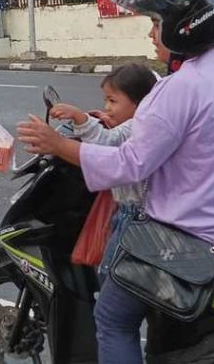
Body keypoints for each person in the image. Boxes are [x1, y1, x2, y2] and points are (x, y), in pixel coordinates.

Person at [17, 0, 214, 364]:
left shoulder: (182, 86)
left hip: (196, 237)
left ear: (184, 27)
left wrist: (59, 145)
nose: (151, 33)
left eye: (157, 22)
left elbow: (129, 164)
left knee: (112, 318)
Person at [48, 63, 158, 273]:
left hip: (132, 215)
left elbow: (107, 141)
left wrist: (79, 117)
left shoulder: (138, 125)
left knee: (109, 272)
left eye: (113, 101)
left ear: (139, 104)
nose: (107, 107)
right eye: (106, 100)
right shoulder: (141, 121)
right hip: (132, 212)